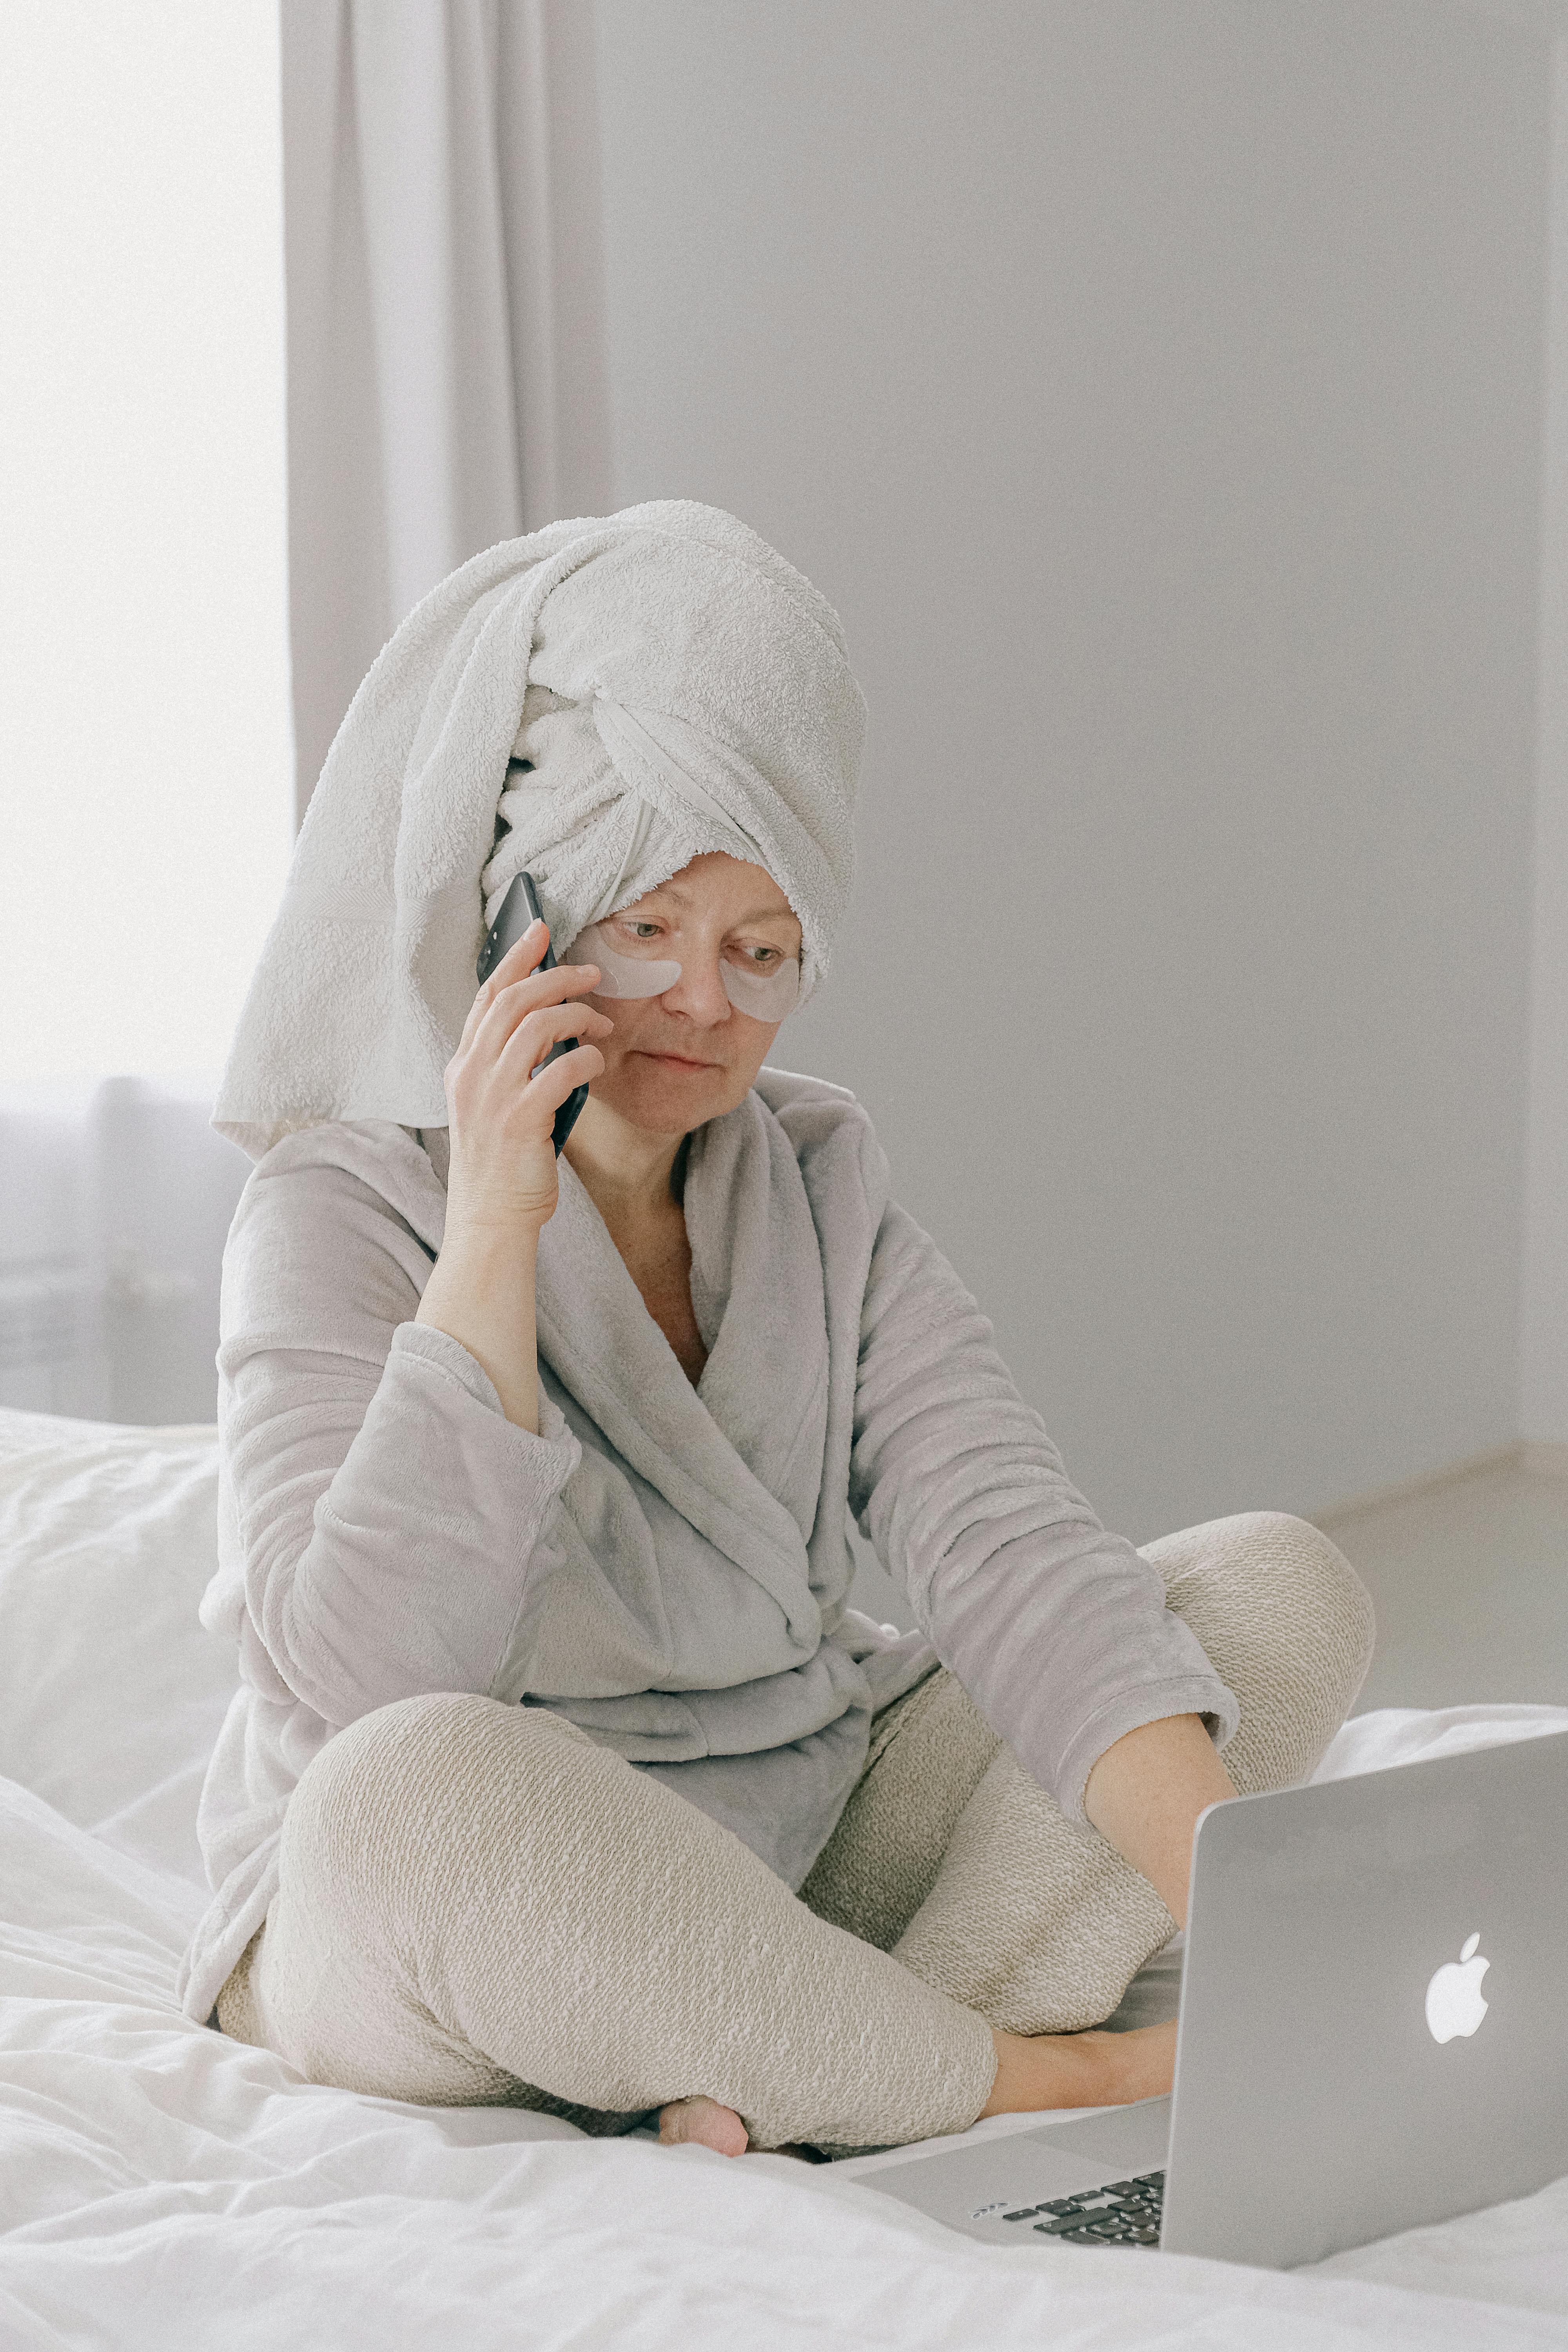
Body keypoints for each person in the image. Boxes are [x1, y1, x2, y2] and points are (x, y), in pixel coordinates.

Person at [181, 501, 1374, 2156]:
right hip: (454, 1903)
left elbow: (1006, 1546)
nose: (703, 1006)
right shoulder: (334, 1202)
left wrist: (1268, 1926)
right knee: (408, 1793)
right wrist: (498, 1232)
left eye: (761, 953)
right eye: (645, 929)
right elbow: (373, 1694)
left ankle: (822, 2063)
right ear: (524, 916)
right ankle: (1016, 2077)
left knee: (1268, 1587)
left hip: (786, 1844)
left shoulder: (816, 1175)